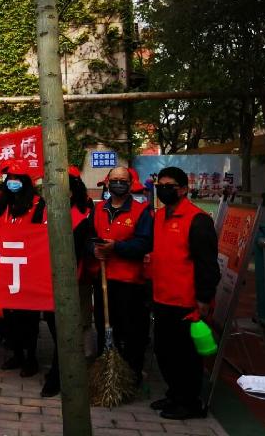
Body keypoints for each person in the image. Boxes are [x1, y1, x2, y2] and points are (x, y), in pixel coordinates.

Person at [150, 167, 220, 420]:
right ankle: (175, 394)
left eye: (169, 186)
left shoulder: (198, 220)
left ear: (183, 189)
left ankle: (189, 403)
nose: (163, 189)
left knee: (186, 356)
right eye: (160, 185)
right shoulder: (159, 215)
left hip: (186, 301)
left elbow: (207, 265)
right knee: (164, 350)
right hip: (162, 297)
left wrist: (203, 298)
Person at [90, 165, 153, 387]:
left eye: (122, 180)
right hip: (103, 280)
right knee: (105, 327)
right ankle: (107, 373)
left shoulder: (141, 211)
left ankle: (131, 376)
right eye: (114, 180)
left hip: (130, 282)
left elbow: (144, 244)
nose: (118, 183)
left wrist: (116, 247)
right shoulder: (98, 209)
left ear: (130, 184)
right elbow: (89, 237)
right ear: (108, 183)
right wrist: (94, 250)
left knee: (132, 331)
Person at [0, 160, 46, 376]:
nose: (12, 182)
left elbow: (40, 234)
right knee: (7, 315)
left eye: (17, 179)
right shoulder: (3, 202)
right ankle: (17, 353)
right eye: (9, 179)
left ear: (26, 181)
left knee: (27, 316)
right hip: (4, 265)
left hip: (27, 267)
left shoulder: (38, 204)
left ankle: (31, 357)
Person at [40, 166, 96, 397]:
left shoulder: (82, 216)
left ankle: (59, 376)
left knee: (67, 329)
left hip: (72, 281)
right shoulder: (46, 211)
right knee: (54, 326)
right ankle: (62, 370)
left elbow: (82, 252)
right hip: (45, 279)